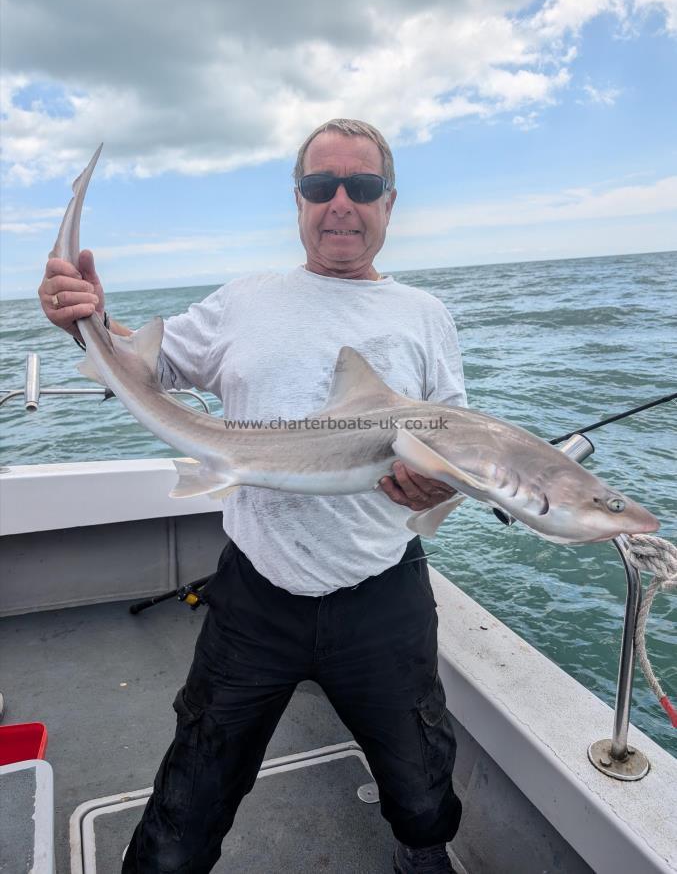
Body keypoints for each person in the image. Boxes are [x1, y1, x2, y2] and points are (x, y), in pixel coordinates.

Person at [39, 119, 466, 874]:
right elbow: (151, 368)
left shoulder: (425, 315)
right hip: (256, 592)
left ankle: (420, 847)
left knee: (422, 781)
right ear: (297, 200)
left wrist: (439, 482)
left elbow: (453, 440)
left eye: (361, 187)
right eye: (318, 186)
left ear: (389, 202)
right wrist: (90, 322)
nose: (339, 202)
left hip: (382, 592)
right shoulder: (246, 299)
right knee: (190, 797)